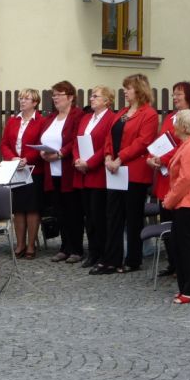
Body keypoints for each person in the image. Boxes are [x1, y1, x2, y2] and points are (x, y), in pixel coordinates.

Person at [97, 74, 158, 274]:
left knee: (132, 217)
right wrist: (107, 156)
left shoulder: (148, 114)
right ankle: (112, 258)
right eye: (125, 88)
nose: (125, 91)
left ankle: (133, 259)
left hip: (134, 172)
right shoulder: (122, 112)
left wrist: (119, 158)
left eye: (128, 88)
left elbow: (142, 142)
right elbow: (109, 135)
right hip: (115, 170)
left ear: (139, 90)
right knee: (113, 215)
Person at [146, 81, 190, 277]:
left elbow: (184, 148)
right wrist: (152, 157)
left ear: (189, 96)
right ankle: (172, 262)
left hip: (180, 177)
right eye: (174, 94)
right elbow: (161, 143)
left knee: (181, 226)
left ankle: (183, 264)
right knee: (166, 221)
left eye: (179, 94)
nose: (175, 97)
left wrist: (162, 159)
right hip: (164, 176)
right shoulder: (170, 118)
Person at [162, 110, 190, 304]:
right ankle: (187, 287)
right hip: (185, 200)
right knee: (180, 245)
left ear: (185, 127)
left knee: (186, 246)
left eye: (177, 123)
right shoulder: (188, 144)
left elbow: (185, 179)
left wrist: (170, 200)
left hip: (188, 201)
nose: (174, 127)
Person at [39, 80, 85, 263]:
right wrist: (43, 151)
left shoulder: (77, 115)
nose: (55, 98)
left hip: (69, 171)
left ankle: (77, 248)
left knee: (73, 211)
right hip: (52, 171)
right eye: (54, 95)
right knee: (59, 212)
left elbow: (75, 140)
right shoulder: (51, 118)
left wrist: (60, 153)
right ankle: (64, 247)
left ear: (71, 97)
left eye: (59, 94)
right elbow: (43, 138)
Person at [73, 86, 115, 271]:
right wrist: (77, 160)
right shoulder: (86, 118)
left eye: (96, 96)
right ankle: (92, 252)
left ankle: (103, 254)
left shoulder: (110, 119)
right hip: (83, 173)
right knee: (88, 216)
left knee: (99, 216)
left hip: (98, 173)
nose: (92, 98)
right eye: (92, 96)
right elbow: (77, 141)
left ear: (107, 100)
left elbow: (106, 145)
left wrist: (89, 163)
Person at [0, 88, 45, 259]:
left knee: (32, 208)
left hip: (33, 169)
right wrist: (13, 158)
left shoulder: (41, 121)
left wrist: (27, 159)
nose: (22, 101)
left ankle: (31, 245)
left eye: (27, 99)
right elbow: (4, 143)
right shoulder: (13, 120)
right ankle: (20, 244)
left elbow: (41, 143)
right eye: (21, 98)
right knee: (18, 208)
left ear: (35, 102)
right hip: (15, 169)